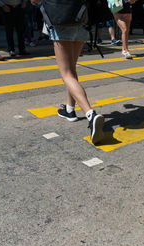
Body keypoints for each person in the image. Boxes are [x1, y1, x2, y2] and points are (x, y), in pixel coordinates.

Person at [35, 0, 105, 144]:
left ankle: (90, 114)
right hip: (82, 19)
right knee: (71, 69)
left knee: (66, 74)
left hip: (61, 19)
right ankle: (69, 110)